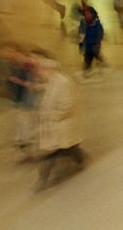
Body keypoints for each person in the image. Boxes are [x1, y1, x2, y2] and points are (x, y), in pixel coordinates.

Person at [31, 55, 85, 190]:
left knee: (50, 153)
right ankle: (80, 159)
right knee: (67, 148)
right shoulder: (52, 80)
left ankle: (42, 180)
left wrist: (53, 117)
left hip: (60, 125)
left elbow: (67, 105)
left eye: (42, 69)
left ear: (49, 69)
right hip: (55, 127)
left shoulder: (63, 82)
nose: (39, 72)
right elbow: (48, 92)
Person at [78, 5, 106, 76]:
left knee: (94, 54)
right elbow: (81, 32)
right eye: (85, 14)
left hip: (94, 44)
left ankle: (99, 63)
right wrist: (81, 43)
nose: (86, 15)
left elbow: (100, 33)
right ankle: (88, 68)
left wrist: (98, 41)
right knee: (88, 57)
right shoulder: (83, 22)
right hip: (87, 44)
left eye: (88, 14)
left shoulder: (97, 24)